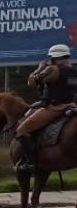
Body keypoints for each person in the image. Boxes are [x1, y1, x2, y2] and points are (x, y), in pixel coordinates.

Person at [15, 43, 77, 173]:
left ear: (54, 57)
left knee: (22, 129)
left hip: (54, 108)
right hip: (71, 106)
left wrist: (38, 69)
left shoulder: (53, 69)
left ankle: (31, 163)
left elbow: (31, 83)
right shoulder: (74, 71)